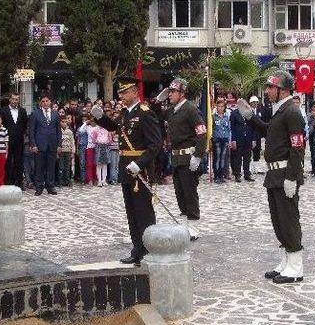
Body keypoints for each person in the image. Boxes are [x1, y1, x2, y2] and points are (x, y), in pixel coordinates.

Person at [237, 70, 305, 284]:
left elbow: (297, 146)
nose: (267, 91)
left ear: (283, 89)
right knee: (279, 221)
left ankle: (296, 267)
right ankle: (285, 262)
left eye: (270, 87)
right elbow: (269, 132)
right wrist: (250, 118)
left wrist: (292, 177)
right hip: (274, 173)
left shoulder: (292, 111)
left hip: (285, 172)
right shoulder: (280, 111)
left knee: (289, 220)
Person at [91, 78, 162, 266]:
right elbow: (115, 127)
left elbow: (155, 145)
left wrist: (140, 164)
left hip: (140, 171)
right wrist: (100, 118)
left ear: (134, 92)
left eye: (124, 92)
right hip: (126, 169)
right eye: (120, 93)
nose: (121, 96)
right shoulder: (124, 113)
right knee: (131, 212)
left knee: (144, 212)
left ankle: (149, 249)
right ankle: (137, 249)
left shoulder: (146, 114)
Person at [155, 78, 208, 240]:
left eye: (173, 92)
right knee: (180, 192)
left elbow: (202, 132)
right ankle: (184, 223)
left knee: (189, 192)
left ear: (182, 93)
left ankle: (193, 226)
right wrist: (158, 100)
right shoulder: (172, 110)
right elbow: (156, 115)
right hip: (176, 158)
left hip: (188, 156)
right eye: (169, 92)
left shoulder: (190, 109)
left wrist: (198, 155)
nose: (170, 95)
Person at [29, 93, 61, 196]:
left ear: (50, 102)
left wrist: (59, 144)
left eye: (47, 101)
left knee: (51, 166)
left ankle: (50, 186)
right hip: (39, 144)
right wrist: (33, 144)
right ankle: (39, 187)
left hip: (52, 144)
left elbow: (58, 130)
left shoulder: (56, 114)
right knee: (39, 167)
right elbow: (31, 130)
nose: (45, 103)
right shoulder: (35, 114)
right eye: (43, 101)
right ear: (40, 103)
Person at [0, 92, 28, 188]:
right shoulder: (3, 110)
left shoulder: (23, 111)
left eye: (17, 99)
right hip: (6, 141)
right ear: (10, 99)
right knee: (7, 162)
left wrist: (20, 134)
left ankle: (19, 182)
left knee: (19, 162)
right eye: (13, 99)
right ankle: (7, 181)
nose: (15, 101)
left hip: (19, 141)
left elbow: (25, 125)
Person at [230, 99, 254, 183]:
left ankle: (247, 174)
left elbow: (253, 126)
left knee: (247, 157)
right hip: (238, 138)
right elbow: (232, 128)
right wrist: (233, 139)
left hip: (248, 138)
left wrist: (253, 139)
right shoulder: (234, 113)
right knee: (237, 157)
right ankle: (237, 174)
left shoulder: (249, 112)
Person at [212, 99, 231, 183]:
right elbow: (211, 129)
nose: (220, 108)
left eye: (222, 106)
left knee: (223, 158)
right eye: (219, 106)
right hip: (217, 139)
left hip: (225, 139)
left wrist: (229, 140)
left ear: (224, 107)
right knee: (217, 158)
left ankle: (221, 175)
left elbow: (229, 129)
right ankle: (216, 176)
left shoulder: (226, 117)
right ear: (216, 107)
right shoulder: (213, 117)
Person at [58, 116, 76, 187]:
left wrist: (73, 152)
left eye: (65, 122)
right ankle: (60, 181)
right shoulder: (58, 131)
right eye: (62, 122)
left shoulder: (70, 132)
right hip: (61, 152)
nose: (64, 123)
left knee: (67, 167)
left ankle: (67, 181)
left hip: (68, 151)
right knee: (61, 167)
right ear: (60, 122)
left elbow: (72, 142)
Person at [92, 122, 111, 187]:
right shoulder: (95, 129)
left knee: (105, 164)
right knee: (99, 164)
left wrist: (107, 141)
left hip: (105, 147)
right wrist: (98, 141)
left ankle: (104, 180)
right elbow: (93, 139)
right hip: (98, 147)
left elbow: (110, 139)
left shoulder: (107, 129)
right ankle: (99, 180)